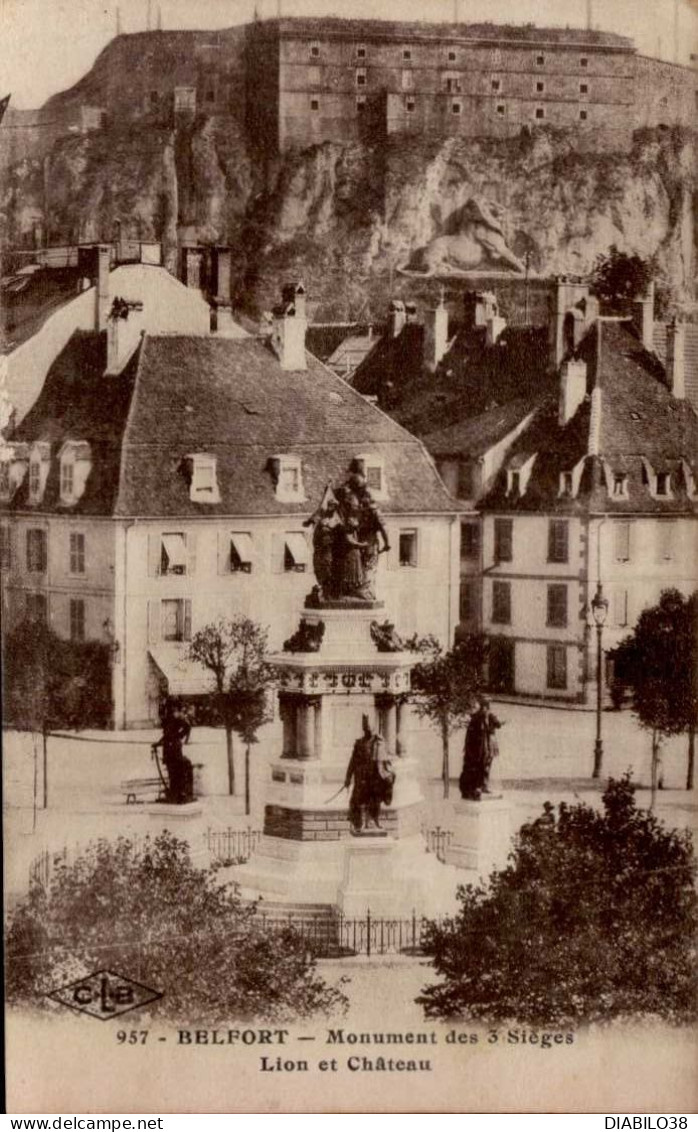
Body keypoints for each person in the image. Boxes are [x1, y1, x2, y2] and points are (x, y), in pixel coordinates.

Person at [344, 715, 395, 833]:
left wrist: (388, 774)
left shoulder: (379, 742)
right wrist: (348, 778)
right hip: (362, 777)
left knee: (376, 800)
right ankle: (360, 823)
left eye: (370, 728)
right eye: (366, 728)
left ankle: (374, 821)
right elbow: (352, 762)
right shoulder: (359, 743)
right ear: (364, 729)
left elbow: (386, 760)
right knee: (360, 800)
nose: (368, 730)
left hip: (375, 777)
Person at [459, 697, 503, 801]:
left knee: (484, 768)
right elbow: (472, 738)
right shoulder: (477, 719)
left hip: (483, 749)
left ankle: (480, 787)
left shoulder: (487, 717)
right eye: (484, 708)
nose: (485, 710)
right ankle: (473, 790)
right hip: (476, 751)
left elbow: (497, 725)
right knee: (475, 769)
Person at [152, 700, 194, 804]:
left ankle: (180, 794)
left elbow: (187, 727)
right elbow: (166, 736)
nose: (167, 710)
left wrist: (179, 736)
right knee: (171, 772)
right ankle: (174, 794)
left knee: (178, 771)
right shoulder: (168, 720)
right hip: (168, 750)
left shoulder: (176, 718)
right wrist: (158, 743)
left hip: (175, 749)